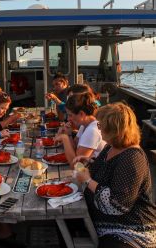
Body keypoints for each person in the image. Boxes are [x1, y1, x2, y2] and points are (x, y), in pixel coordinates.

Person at [75, 102, 156, 248]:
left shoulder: (132, 158)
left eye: (101, 126)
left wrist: (87, 180)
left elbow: (117, 205)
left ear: (113, 129)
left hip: (130, 229)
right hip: (102, 220)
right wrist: (89, 161)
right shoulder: (110, 147)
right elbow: (101, 171)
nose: (99, 130)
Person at [54, 92, 106, 167]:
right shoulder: (85, 125)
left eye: (70, 115)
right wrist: (68, 134)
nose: (68, 119)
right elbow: (74, 148)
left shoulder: (92, 131)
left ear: (81, 114)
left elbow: (77, 166)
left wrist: (64, 138)